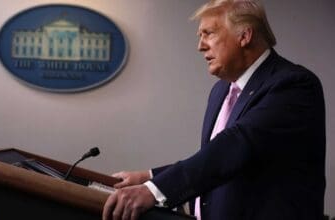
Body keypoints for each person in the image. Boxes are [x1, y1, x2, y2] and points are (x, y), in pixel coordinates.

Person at [102, 0, 326, 219]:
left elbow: (235, 147)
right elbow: (219, 161)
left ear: (244, 36)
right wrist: (149, 176)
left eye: (208, 33)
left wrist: (154, 190)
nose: (200, 46)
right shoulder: (221, 91)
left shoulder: (293, 85)